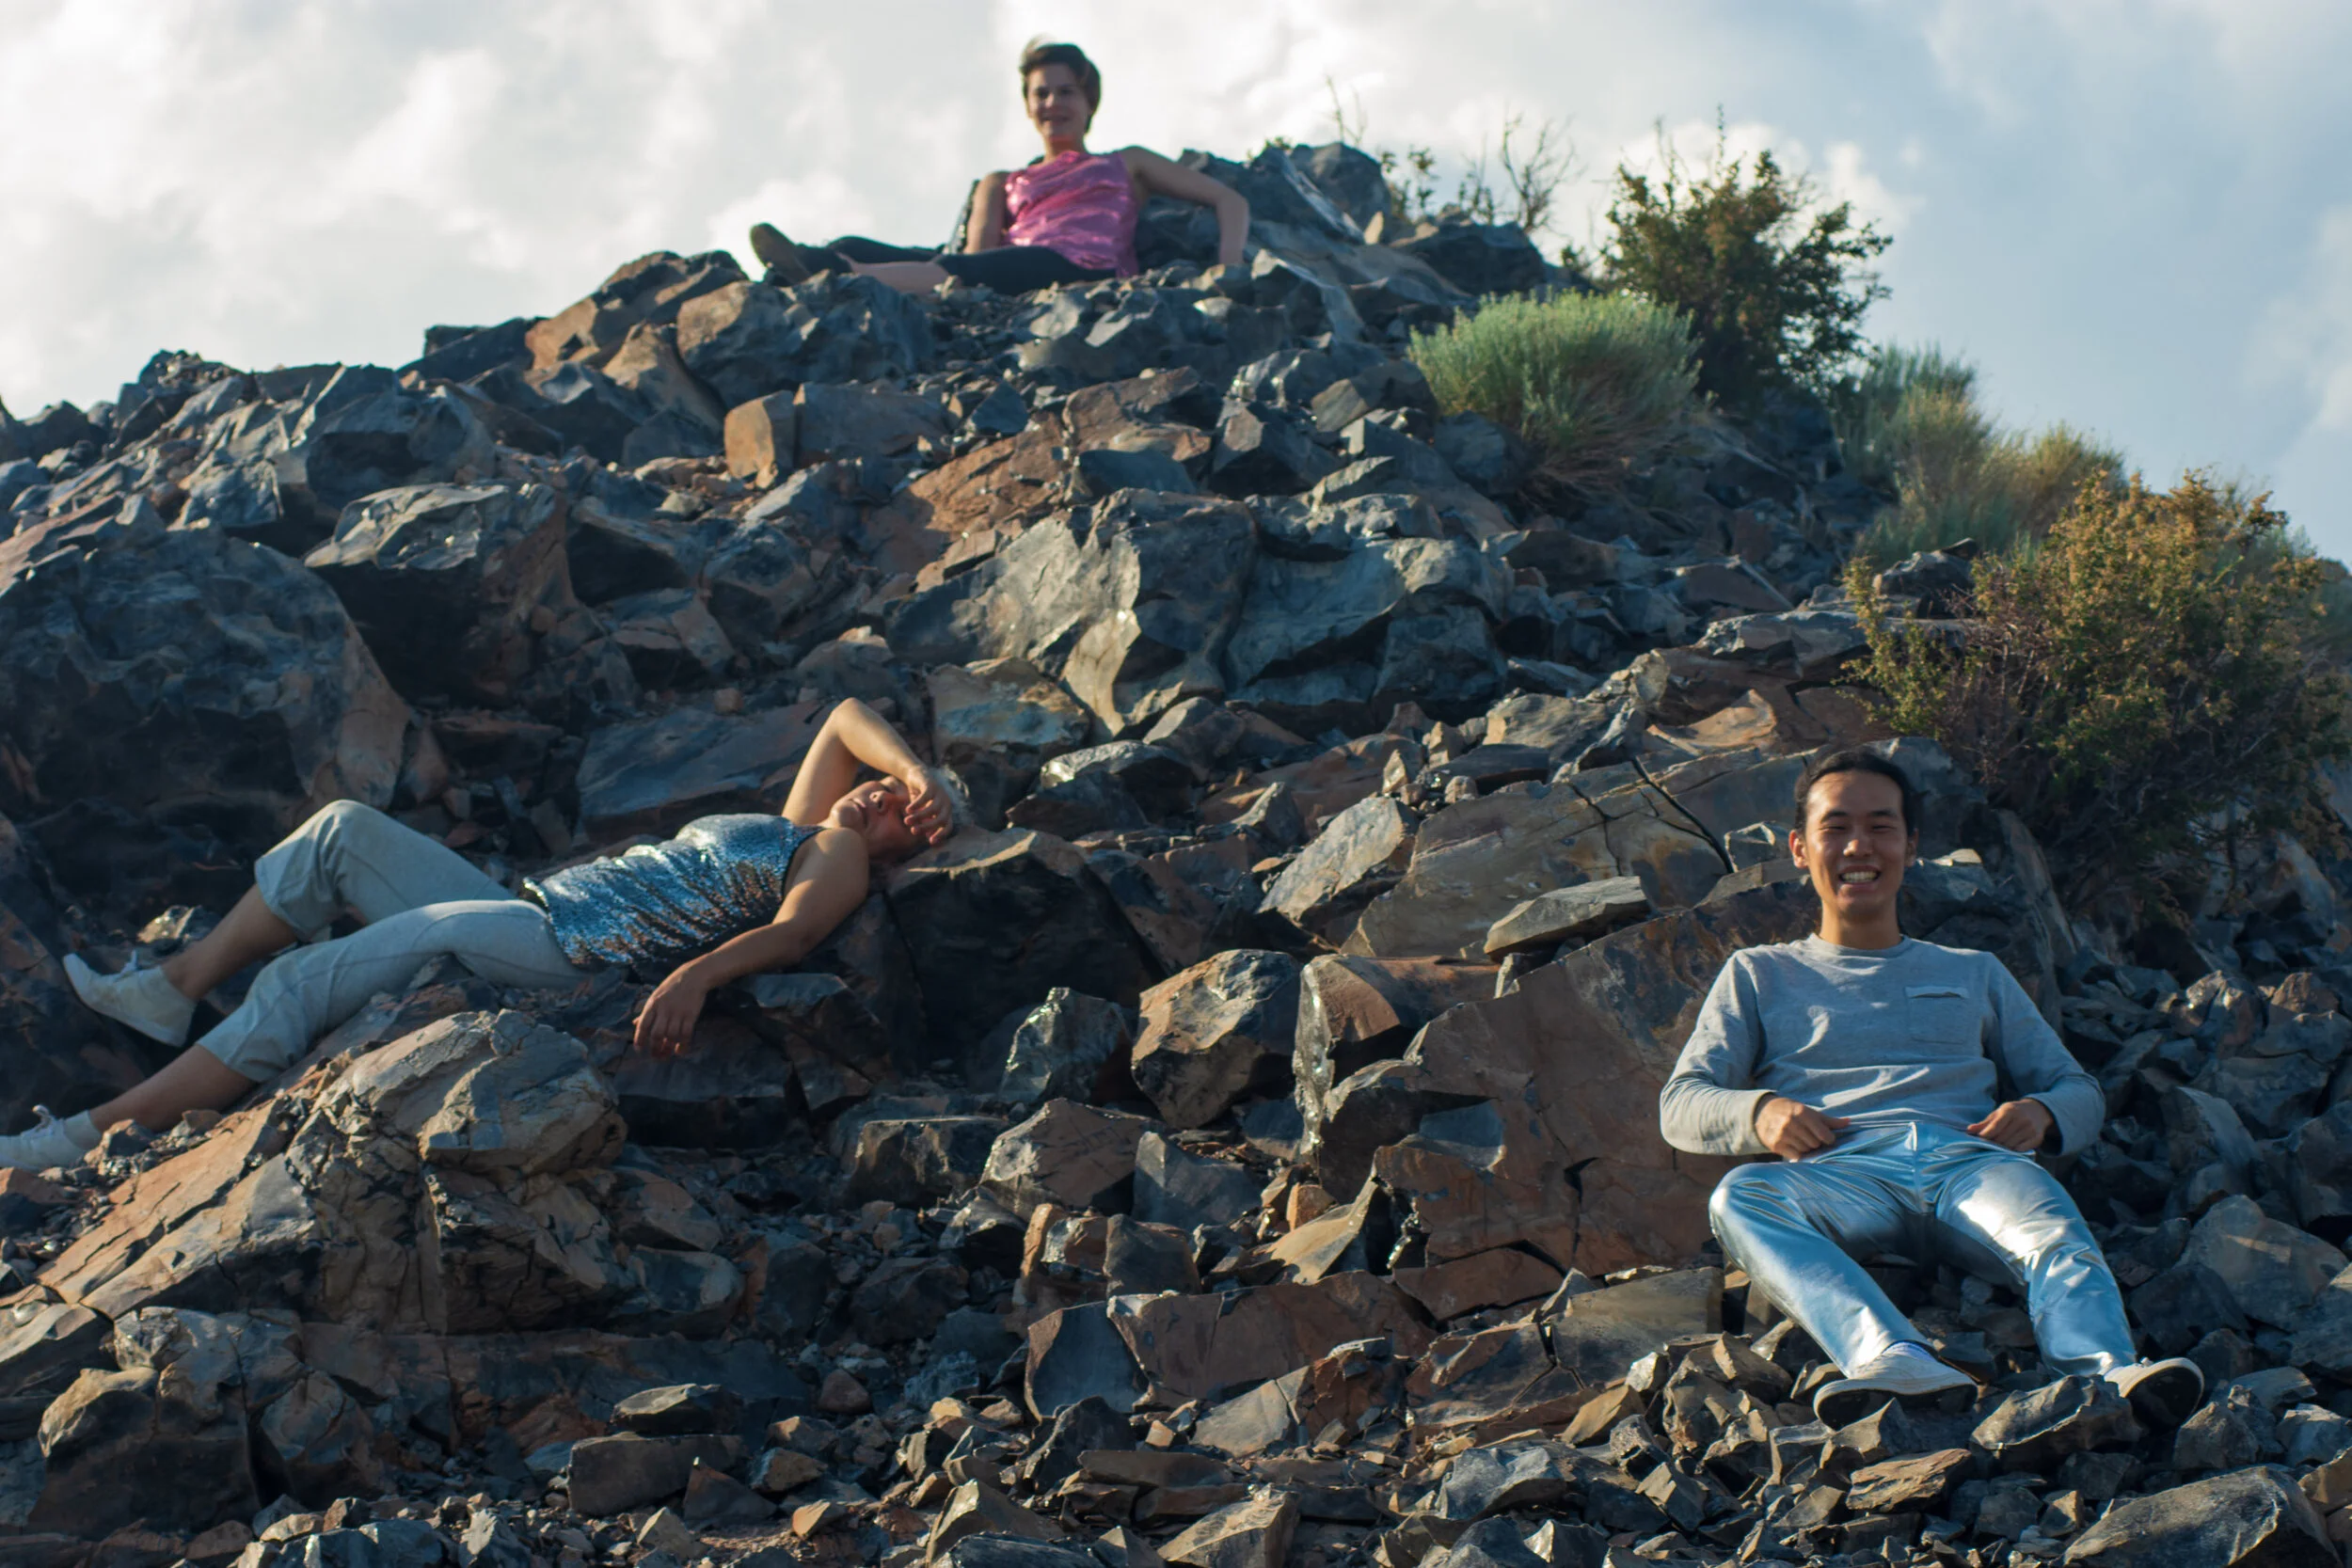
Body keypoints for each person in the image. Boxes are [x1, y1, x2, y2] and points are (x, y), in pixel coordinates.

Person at [0, 700, 954, 1172]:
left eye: (903, 812)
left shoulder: (836, 855)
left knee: (299, 984)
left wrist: (696, 976)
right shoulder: (804, 822)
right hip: (537, 905)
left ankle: (84, 1137)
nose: (881, 797)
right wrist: (917, 770)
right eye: (888, 790)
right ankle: (172, 988)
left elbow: (791, 935)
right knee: (342, 832)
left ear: (907, 848)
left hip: (569, 949)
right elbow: (842, 718)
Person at [1658, 748, 2205, 1429]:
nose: (1860, 845)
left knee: (2051, 1226)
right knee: (1740, 1196)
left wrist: (2040, 1111)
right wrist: (1761, 1112)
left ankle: (2108, 1373)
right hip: (1837, 1172)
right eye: (1836, 827)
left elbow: (2077, 1087)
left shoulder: (1976, 971)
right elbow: (1681, 1102)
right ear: (1800, 848)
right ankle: (1893, 1357)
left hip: (1969, 1166)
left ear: (1911, 845)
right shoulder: (1758, 973)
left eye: (1882, 826)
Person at [747, 39, 1248, 297]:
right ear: (1028, 106)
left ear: (1089, 101)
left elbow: (1230, 200)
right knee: (856, 243)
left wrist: (1228, 267)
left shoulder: (1127, 163)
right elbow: (976, 256)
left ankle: (837, 275)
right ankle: (833, 263)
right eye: (1041, 93)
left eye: (1066, 91)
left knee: (947, 269)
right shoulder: (1003, 182)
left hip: (1080, 268)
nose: (1054, 102)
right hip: (1009, 266)